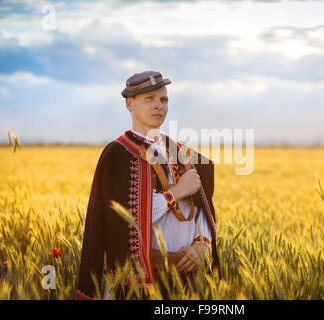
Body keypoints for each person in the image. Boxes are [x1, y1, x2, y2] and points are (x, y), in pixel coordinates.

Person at [75, 70, 220, 300]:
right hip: (136, 285)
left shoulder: (182, 152)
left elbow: (202, 210)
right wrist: (177, 192)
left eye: (163, 99)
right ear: (129, 104)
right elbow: (122, 219)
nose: (158, 106)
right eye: (149, 99)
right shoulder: (118, 155)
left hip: (186, 280)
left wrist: (203, 244)